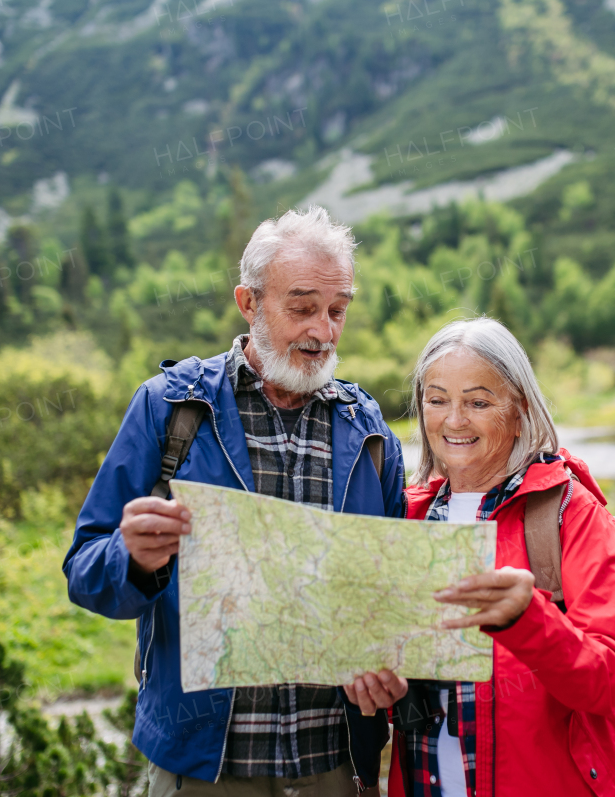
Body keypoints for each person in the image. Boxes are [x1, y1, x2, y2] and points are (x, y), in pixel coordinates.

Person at [63, 206, 409, 796]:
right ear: (248, 303)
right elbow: (85, 570)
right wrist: (135, 559)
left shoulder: (369, 428)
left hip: (336, 765)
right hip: (204, 767)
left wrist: (392, 664)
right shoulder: (167, 409)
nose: (322, 331)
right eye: (301, 308)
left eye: (337, 311)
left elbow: (399, 592)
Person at [388, 318, 615, 797]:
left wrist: (528, 620)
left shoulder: (572, 513)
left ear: (520, 410)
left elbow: (611, 683)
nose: (454, 420)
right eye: (437, 400)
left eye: (478, 402)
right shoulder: (404, 518)